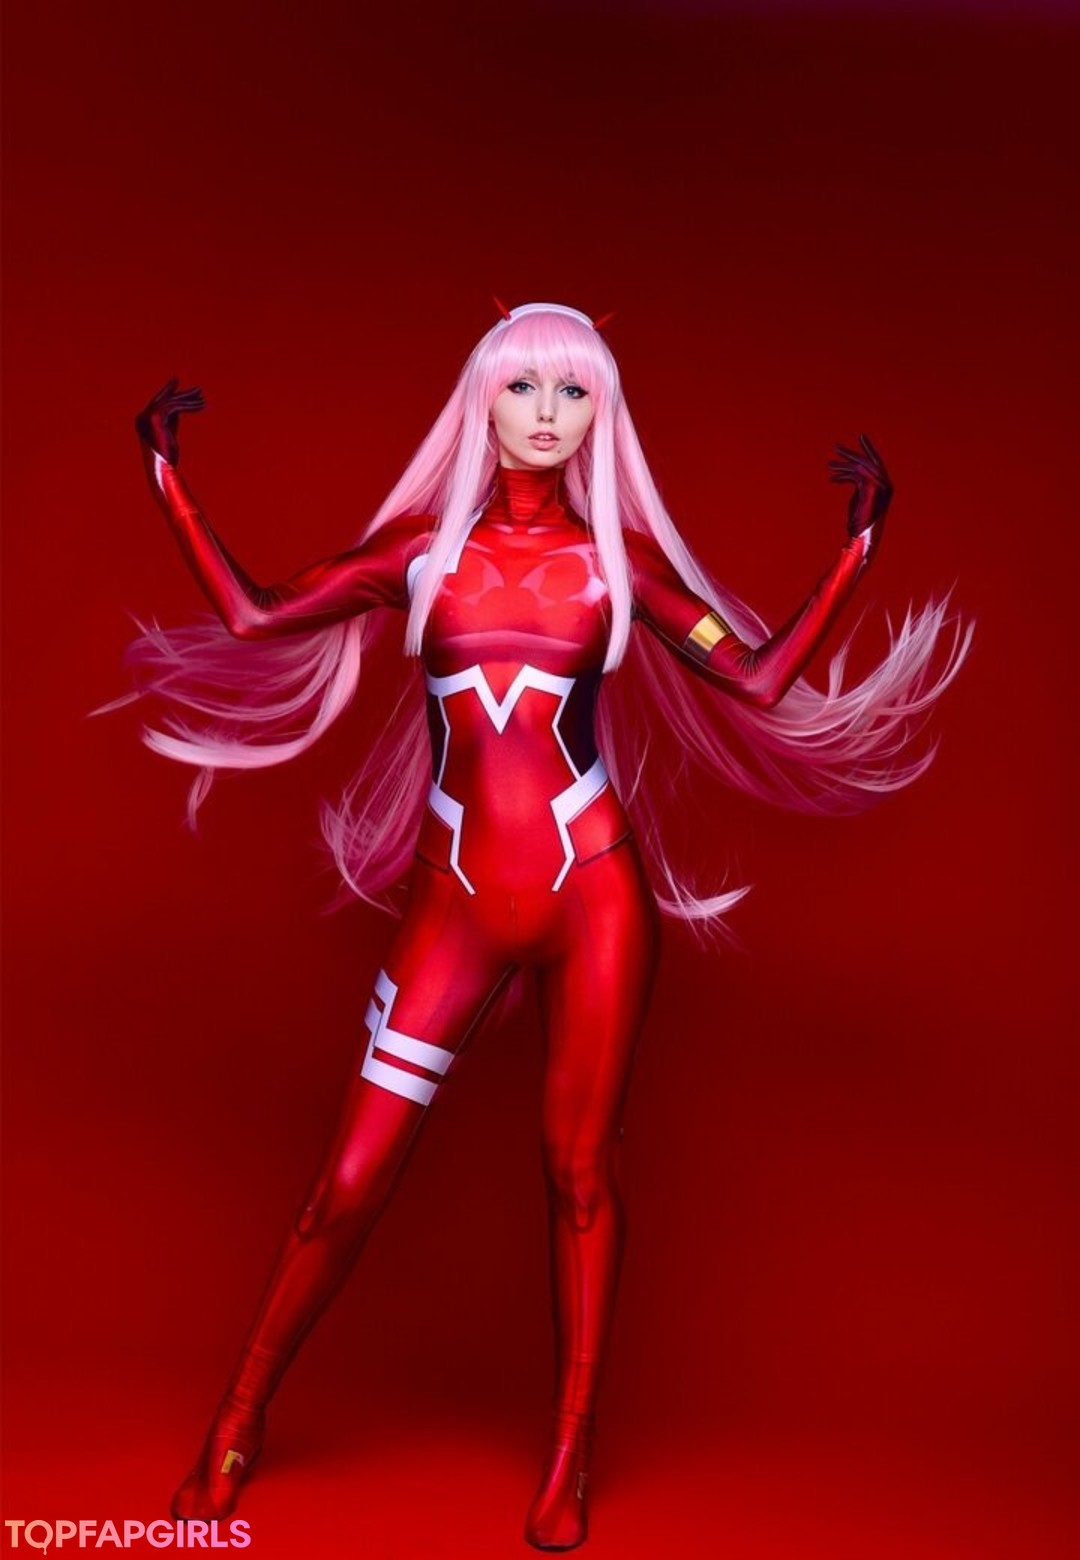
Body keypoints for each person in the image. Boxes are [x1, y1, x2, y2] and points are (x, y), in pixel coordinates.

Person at [118, 301, 969, 1551]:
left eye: (575, 393)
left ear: (598, 417)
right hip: (452, 905)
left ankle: (570, 1454)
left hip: (594, 899)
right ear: (484, 399)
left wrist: (858, 553)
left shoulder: (620, 564)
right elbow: (255, 616)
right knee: (346, 1183)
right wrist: (166, 483)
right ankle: (236, 1422)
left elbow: (758, 677)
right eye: (524, 386)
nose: (547, 413)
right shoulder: (420, 554)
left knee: (578, 1177)